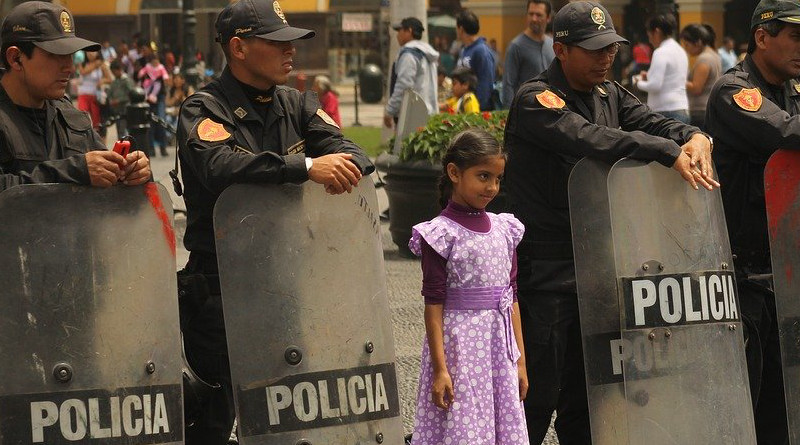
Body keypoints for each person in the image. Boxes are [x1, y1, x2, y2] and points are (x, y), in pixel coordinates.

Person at [503, 2, 716, 443]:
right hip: (546, 270)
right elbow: (591, 137)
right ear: (561, 50)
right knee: (536, 393)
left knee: (595, 392)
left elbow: (653, 121)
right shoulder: (537, 99)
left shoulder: (608, 93)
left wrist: (693, 137)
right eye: (593, 49)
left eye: (610, 49)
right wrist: (663, 151)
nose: (606, 58)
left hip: (600, 264)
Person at [176, 1, 373, 443]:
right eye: (278, 42)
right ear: (239, 47)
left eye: (293, 43)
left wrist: (333, 164)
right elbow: (220, 166)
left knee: (290, 409)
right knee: (213, 417)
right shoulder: (203, 108)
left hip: (289, 282)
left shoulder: (297, 103)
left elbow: (354, 154)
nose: (291, 52)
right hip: (221, 286)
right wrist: (304, 167)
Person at [704, 0, 800, 442]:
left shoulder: (793, 89)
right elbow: (784, 132)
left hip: (786, 267)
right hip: (743, 274)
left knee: (787, 398)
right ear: (763, 37)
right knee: (749, 399)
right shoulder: (735, 91)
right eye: (795, 37)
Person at [408, 128, 529, 445]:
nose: (492, 187)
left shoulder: (505, 229)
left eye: (498, 178)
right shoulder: (440, 234)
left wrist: (520, 362)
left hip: (499, 351)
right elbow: (433, 303)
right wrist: (440, 369)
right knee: (466, 429)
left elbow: (511, 297)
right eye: (483, 176)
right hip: (461, 352)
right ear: (454, 173)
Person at [0, 1, 150, 192]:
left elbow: (104, 171)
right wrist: (73, 172)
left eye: (70, 55)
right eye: (55, 54)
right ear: (16, 58)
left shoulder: (69, 114)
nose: (69, 67)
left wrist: (132, 172)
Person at [634, 13, 691, 123]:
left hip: (665, 111)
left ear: (657, 32)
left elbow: (655, 85)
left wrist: (638, 83)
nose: (650, 40)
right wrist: (649, 75)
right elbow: (674, 76)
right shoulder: (680, 50)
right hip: (681, 107)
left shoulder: (661, 52)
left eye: (649, 35)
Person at [384, 17, 439, 129]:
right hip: (429, 113)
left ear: (409, 31)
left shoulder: (409, 55)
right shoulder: (427, 54)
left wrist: (390, 111)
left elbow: (403, 85)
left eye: (400, 30)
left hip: (411, 115)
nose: (397, 34)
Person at [502, 0, 555, 108]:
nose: (534, 19)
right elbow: (508, 84)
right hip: (526, 112)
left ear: (548, 18)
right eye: (531, 14)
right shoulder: (516, 46)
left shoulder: (552, 45)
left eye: (539, 15)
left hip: (551, 112)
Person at [680, 24, 722, 130]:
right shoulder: (714, 54)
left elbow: (696, 88)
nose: (686, 49)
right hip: (708, 108)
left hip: (700, 111)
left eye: (687, 45)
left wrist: (677, 80)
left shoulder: (704, 59)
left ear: (698, 42)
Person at [455, 10, 496, 111]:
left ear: (461, 29)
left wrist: (479, 111)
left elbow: (486, 82)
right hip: (464, 107)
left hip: (476, 110)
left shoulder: (481, 51)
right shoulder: (463, 50)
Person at [139, 53, 170, 156]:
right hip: (148, 97)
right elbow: (140, 75)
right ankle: (151, 148)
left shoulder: (161, 68)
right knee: (150, 124)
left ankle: (163, 147)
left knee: (161, 120)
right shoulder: (147, 68)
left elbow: (166, 79)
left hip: (159, 97)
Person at [77, 50, 113, 134]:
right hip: (83, 94)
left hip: (96, 95)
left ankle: (97, 141)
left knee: (96, 121)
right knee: (82, 116)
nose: (90, 54)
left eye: (93, 52)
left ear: (97, 53)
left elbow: (110, 78)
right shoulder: (82, 63)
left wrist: (102, 81)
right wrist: (95, 65)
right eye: (88, 52)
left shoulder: (102, 65)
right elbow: (82, 72)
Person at [107, 60, 136, 137]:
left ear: (119, 69)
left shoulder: (126, 80)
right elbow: (110, 93)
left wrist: (119, 100)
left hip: (125, 109)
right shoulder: (114, 81)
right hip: (117, 110)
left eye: (114, 71)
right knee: (119, 131)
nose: (113, 74)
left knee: (124, 131)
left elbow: (131, 94)